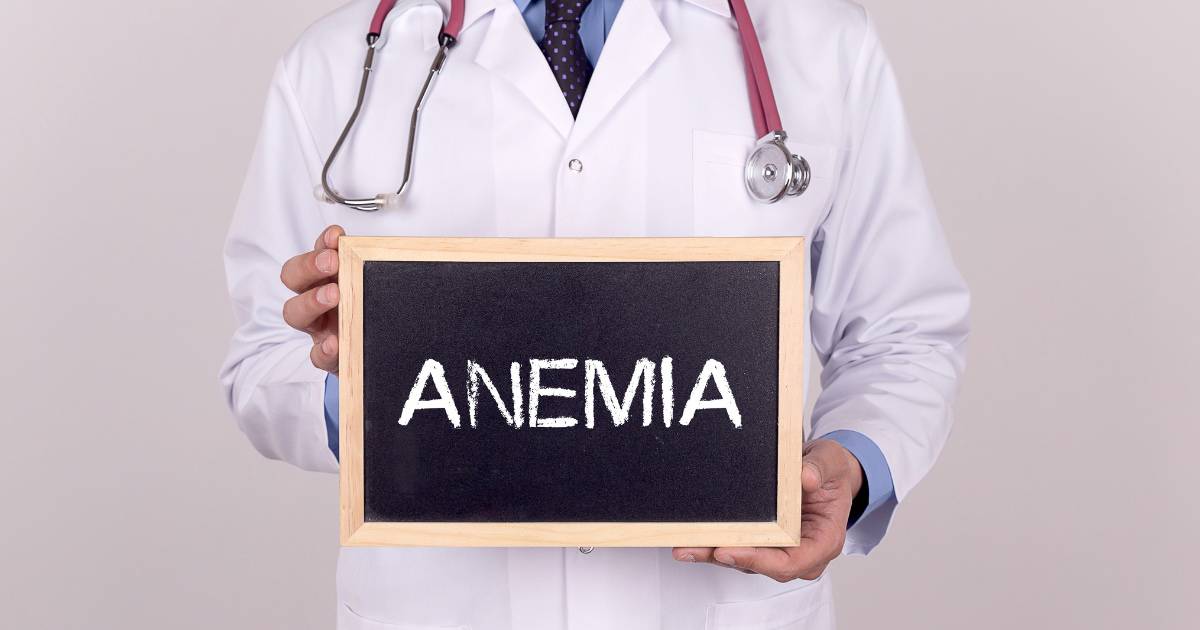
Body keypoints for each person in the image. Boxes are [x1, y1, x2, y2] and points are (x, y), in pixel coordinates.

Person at [220, 0, 970, 627]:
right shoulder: (336, 65)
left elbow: (903, 330)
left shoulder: (818, 45)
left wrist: (853, 464)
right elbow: (262, 357)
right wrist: (367, 401)